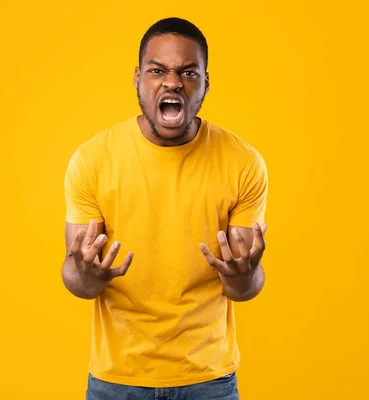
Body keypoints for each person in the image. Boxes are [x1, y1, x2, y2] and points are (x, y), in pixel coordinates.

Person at [62, 17, 268, 400]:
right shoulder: (92, 160)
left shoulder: (242, 163)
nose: (172, 82)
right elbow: (76, 279)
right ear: (138, 78)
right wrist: (88, 272)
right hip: (116, 380)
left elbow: (243, 288)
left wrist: (245, 273)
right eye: (158, 71)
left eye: (188, 72)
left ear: (205, 82)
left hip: (209, 378)